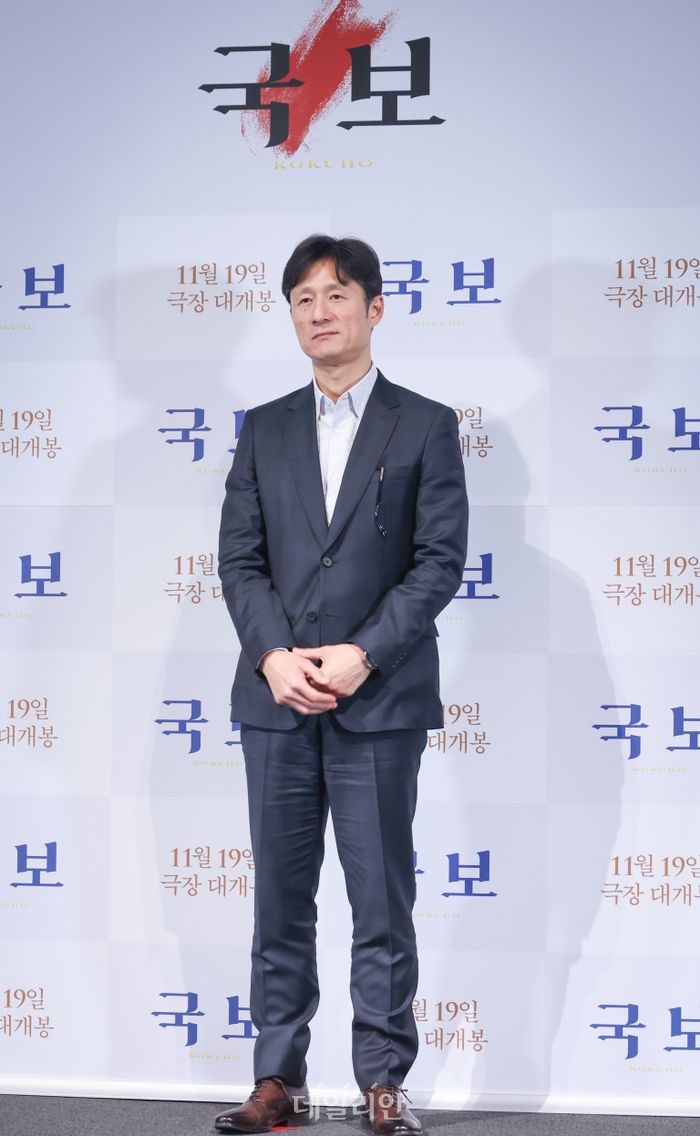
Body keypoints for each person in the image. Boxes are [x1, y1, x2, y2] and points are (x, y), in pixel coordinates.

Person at [216, 234, 468, 1135]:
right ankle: (277, 1079)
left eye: (336, 295)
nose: (319, 313)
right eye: (303, 299)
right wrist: (273, 656)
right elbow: (240, 560)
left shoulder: (425, 424)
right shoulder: (264, 427)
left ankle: (382, 1081)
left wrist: (364, 652)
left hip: (379, 701)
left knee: (380, 899)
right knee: (280, 900)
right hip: (278, 703)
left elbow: (439, 561)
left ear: (374, 307)